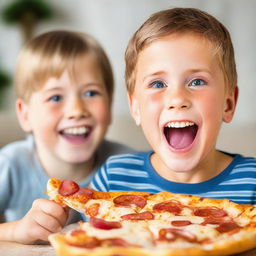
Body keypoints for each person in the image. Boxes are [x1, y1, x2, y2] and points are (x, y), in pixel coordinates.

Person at [91, 8, 256, 205]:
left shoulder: (252, 183)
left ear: (228, 104)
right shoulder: (112, 179)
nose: (177, 99)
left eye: (197, 82)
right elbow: (80, 234)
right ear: (135, 108)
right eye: (158, 84)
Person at [0, 30, 133, 244]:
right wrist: (16, 231)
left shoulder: (128, 164)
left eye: (91, 93)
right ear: (25, 114)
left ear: (109, 106)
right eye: (55, 97)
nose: (76, 110)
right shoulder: (9, 164)